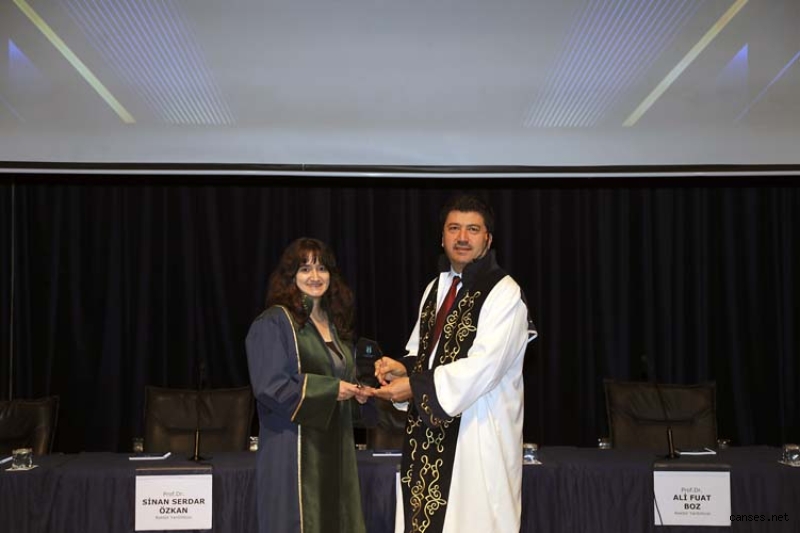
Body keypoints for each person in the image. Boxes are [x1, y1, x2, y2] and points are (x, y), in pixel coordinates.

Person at [374, 194, 537, 533]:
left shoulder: (505, 293)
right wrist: (401, 369)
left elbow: (484, 368)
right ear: (442, 237)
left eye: (472, 229)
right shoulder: (436, 288)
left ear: (488, 239)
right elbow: (424, 354)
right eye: (454, 228)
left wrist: (414, 386)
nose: (462, 237)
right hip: (428, 437)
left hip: (478, 437)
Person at [246, 237, 372, 533]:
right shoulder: (274, 323)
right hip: (292, 450)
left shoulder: (335, 325)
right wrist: (332, 389)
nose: (315, 276)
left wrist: (359, 393)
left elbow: (340, 382)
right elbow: (270, 386)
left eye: (321, 268)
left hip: (336, 448)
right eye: (305, 269)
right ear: (290, 276)